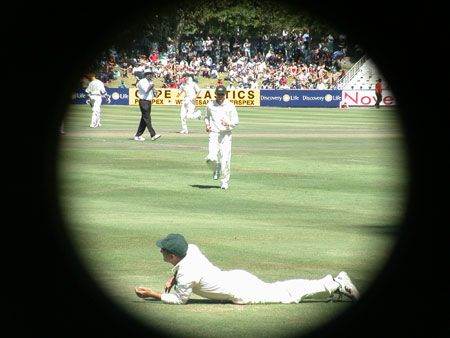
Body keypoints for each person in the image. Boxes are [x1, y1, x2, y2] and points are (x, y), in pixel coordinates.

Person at [135, 233, 360, 305]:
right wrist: (172, 278)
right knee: (283, 288)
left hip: (241, 291)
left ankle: (335, 284)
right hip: (237, 277)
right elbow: (181, 269)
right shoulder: (191, 249)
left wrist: (154, 294)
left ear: (173, 255)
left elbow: (181, 300)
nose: (161, 252)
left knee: (287, 295)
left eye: (163, 251)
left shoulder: (186, 272)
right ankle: (332, 282)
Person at [204, 85, 239, 190]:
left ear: (225, 94)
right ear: (215, 94)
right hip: (214, 134)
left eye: (222, 94)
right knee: (210, 158)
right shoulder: (210, 105)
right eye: (218, 94)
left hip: (226, 135)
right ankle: (216, 169)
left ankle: (224, 181)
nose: (220, 96)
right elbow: (206, 117)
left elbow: (236, 121)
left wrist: (228, 124)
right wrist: (207, 125)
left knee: (225, 160)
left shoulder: (230, 105)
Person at [134, 69, 161, 141]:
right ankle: (153, 135)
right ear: (146, 74)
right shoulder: (142, 82)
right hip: (143, 101)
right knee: (147, 118)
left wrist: (154, 93)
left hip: (148, 101)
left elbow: (151, 90)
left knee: (144, 119)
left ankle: (137, 135)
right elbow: (146, 90)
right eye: (149, 74)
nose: (150, 75)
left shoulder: (149, 81)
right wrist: (151, 86)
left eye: (151, 74)